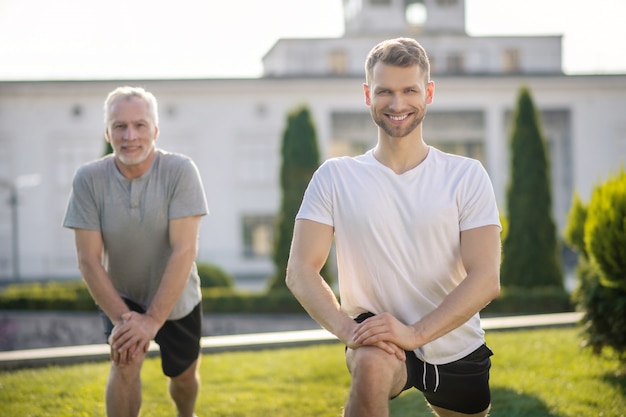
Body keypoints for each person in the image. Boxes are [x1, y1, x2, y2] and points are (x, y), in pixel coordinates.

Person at [286, 38, 501, 417]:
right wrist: (350, 332)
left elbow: (486, 278)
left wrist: (415, 334)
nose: (397, 104)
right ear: (368, 94)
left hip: (457, 345)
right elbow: (300, 271)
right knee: (368, 368)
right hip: (379, 339)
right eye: (385, 91)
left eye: (409, 91)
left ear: (428, 93)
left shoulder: (466, 175)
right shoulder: (336, 176)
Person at [63, 86, 208, 417]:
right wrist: (126, 321)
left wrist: (153, 320)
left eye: (140, 125)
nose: (130, 136)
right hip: (120, 296)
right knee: (125, 361)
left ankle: (187, 414)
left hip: (178, 297)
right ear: (107, 132)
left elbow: (184, 250)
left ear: (155, 130)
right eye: (120, 126)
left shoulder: (180, 171)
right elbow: (88, 259)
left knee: (184, 378)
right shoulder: (88, 179)